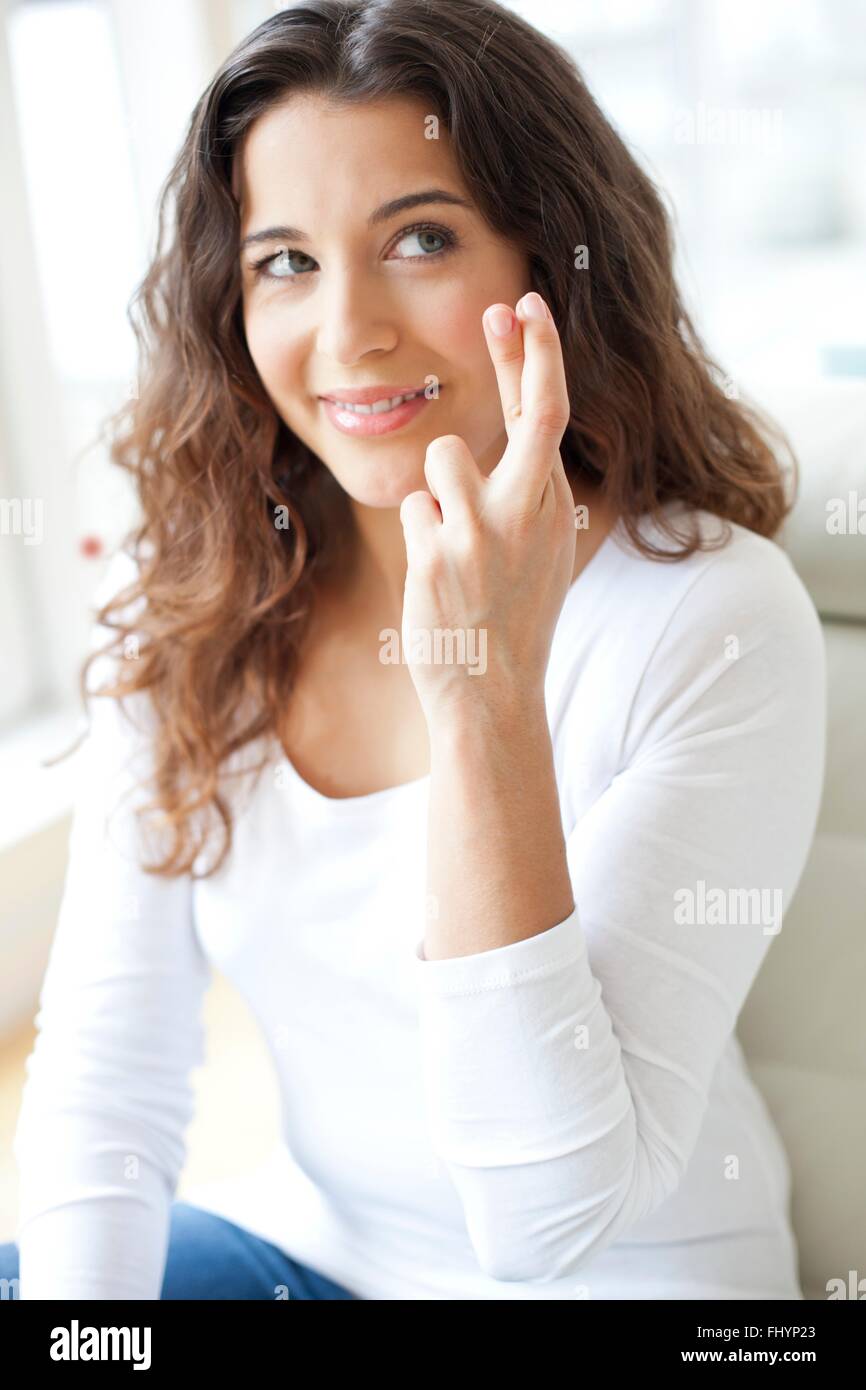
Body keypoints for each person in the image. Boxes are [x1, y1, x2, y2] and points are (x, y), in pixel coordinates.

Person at [2, 0, 825, 1301]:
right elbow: (110, 1082)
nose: (348, 330)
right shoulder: (213, 597)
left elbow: (541, 1220)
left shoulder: (710, 620)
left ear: (551, 260)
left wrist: (482, 693)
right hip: (325, 1262)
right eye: (285, 261)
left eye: (420, 239)